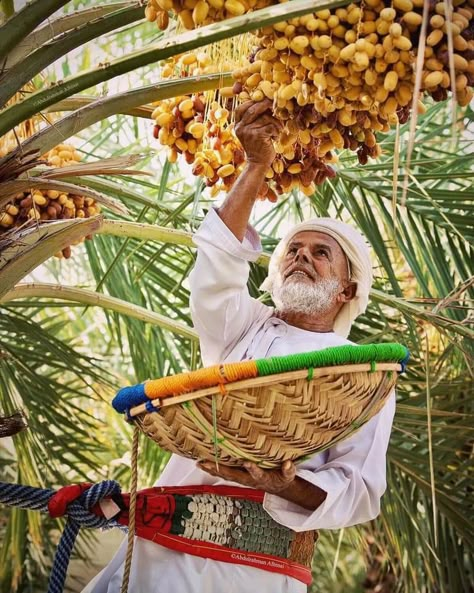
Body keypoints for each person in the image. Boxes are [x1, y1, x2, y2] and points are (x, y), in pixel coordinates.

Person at [83, 100, 395, 593]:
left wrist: (279, 484)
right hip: (158, 559)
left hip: (257, 577)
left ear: (347, 290)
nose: (300, 257)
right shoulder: (244, 327)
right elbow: (216, 271)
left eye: (320, 253)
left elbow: (359, 490)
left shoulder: (364, 373)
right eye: (292, 249)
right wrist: (255, 166)